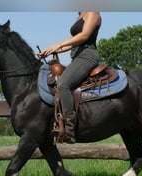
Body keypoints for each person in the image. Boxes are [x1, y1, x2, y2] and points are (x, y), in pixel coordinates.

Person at [38, 12, 102, 143]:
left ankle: (69, 129)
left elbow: (84, 35)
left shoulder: (92, 12)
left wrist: (59, 45)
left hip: (87, 56)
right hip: (77, 57)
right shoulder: (80, 16)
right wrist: (50, 50)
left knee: (63, 84)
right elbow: (71, 43)